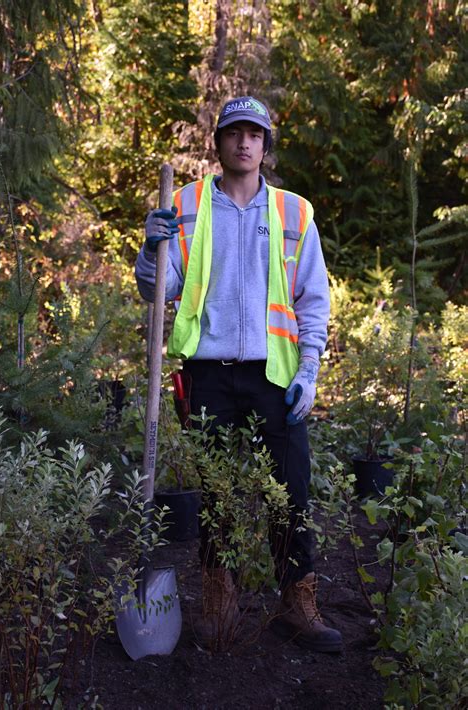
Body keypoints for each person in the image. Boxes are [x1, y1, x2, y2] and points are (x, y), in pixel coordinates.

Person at [135, 96, 342, 653]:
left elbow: (313, 300)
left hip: (275, 376)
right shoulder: (186, 205)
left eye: (255, 134)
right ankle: (219, 600)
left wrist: (310, 370)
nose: (244, 142)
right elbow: (162, 290)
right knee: (217, 495)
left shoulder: (295, 214)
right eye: (234, 133)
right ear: (220, 143)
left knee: (290, 491)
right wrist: (149, 253)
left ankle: (297, 603)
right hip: (209, 374)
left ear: (265, 146)